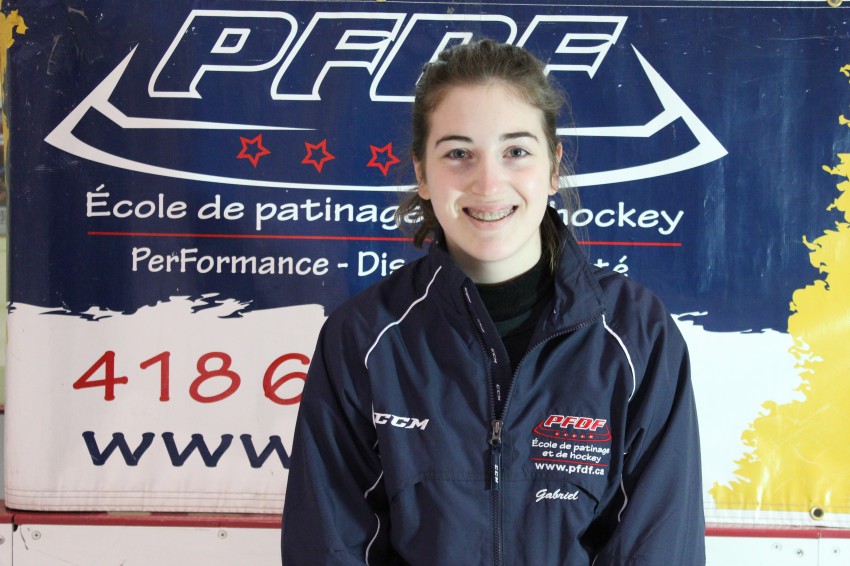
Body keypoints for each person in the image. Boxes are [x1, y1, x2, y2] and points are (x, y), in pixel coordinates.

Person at [281, 39, 705, 565]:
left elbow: (660, 548)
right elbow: (328, 547)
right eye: (458, 153)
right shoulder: (363, 337)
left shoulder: (637, 334)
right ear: (422, 173)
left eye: (516, 152)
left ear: (553, 168)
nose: (488, 182)